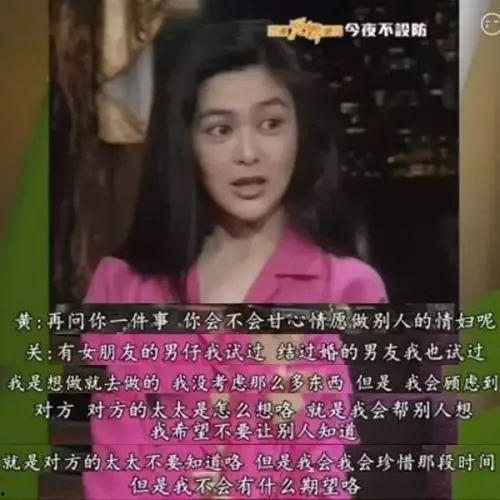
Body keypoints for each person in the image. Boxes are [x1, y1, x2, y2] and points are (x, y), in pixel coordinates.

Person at [82, 20, 387, 499]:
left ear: (300, 133)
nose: (248, 153)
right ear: (185, 143)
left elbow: (330, 473)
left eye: (271, 124)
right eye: (220, 129)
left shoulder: (349, 290)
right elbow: (115, 472)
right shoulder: (122, 287)